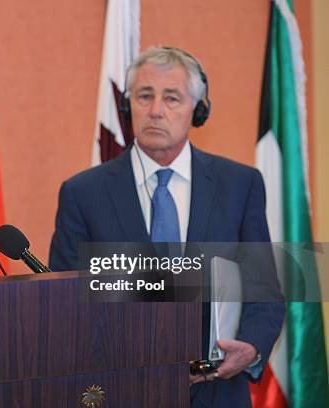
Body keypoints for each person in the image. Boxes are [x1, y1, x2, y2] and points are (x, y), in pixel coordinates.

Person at [49, 47, 285, 407]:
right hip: (119, 392)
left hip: (218, 393)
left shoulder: (240, 185)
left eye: (172, 98)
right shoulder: (83, 193)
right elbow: (63, 303)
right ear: (128, 106)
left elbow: (264, 291)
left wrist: (250, 347)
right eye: (145, 96)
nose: (156, 110)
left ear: (198, 109)